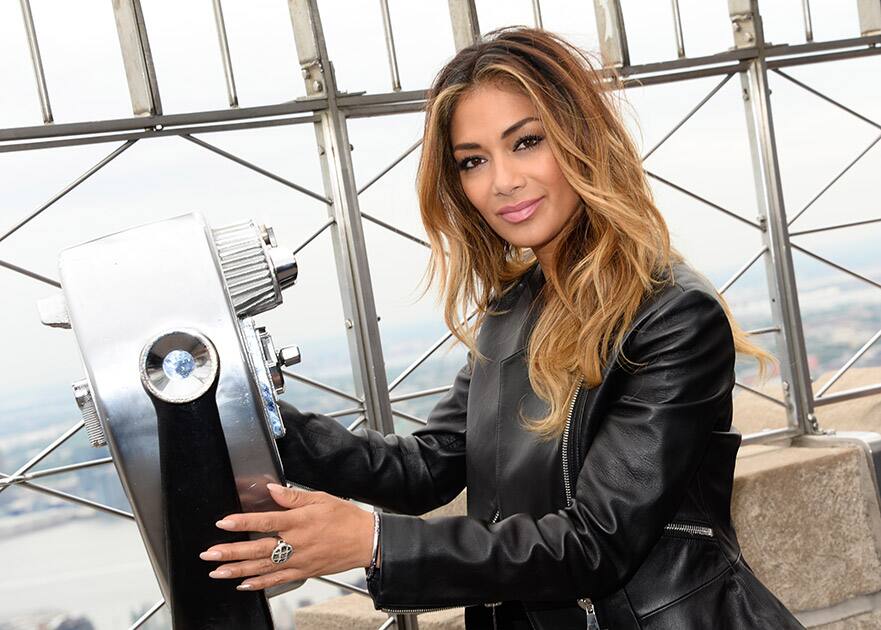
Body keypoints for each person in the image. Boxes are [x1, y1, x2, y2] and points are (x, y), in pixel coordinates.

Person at [198, 27, 806, 629]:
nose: (502, 182)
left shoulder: (671, 317)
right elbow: (423, 469)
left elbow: (596, 543)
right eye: (473, 161)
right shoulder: (511, 311)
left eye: (526, 142)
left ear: (581, 140)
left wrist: (374, 542)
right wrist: (247, 414)